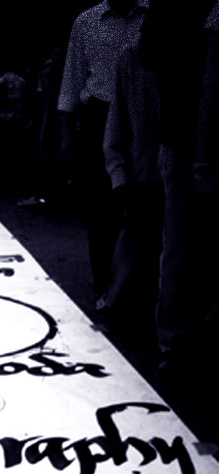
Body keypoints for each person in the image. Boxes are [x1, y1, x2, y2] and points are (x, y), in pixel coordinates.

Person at [137, 0, 217, 374]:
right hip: (183, 132)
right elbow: (147, 52)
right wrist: (197, 71)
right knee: (180, 241)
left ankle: (186, 334)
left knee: (184, 242)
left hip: (187, 128)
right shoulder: (174, 1)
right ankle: (176, 339)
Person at [57, 0, 149, 311]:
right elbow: (72, 79)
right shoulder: (87, 21)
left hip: (142, 116)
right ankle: (104, 286)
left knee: (142, 198)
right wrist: (67, 134)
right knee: (100, 205)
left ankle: (137, 285)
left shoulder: (150, 16)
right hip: (99, 112)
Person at [102, 32, 163, 338]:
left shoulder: (202, 52)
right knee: (139, 246)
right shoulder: (131, 57)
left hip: (160, 172)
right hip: (144, 174)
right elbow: (115, 128)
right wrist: (121, 177)